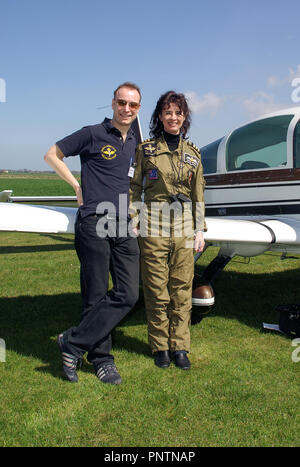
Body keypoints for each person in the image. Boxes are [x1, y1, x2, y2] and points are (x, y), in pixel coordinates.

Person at [44, 82, 141, 384]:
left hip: (123, 224)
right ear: (112, 103)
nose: (126, 109)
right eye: (121, 103)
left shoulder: (136, 141)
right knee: (96, 294)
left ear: (138, 109)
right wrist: (75, 186)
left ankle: (72, 342)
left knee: (128, 293)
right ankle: (102, 359)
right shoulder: (92, 134)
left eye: (133, 105)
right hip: (94, 220)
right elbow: (52, 154)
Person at [129, 91, 206, 370]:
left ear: (184, 118)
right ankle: (160, 346)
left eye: (178, 113)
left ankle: (180, 347)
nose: (173, 117)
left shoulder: (194, 155)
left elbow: (198, 194)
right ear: (160, 117)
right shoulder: (145, 151)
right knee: (156, 289)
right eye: (168, 112)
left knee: (182, 288)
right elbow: (134, 187)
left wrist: (199, 230)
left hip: (185, 225)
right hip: (155, 223)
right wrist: (134, 217)